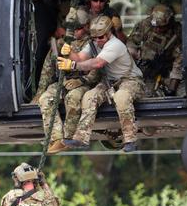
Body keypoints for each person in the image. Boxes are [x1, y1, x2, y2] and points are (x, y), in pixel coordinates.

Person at [57, 15, 144, 153]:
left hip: (130, 80)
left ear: (109, 33)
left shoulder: (115, 45)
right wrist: (70, 53)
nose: (98, 41)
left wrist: (73, 65)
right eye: (94, 37)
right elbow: (80, 58)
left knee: (121, 97)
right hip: (109, 82)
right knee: (90, 96)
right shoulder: (94, 43)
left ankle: (130, 139)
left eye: (101, 37)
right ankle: (81, 138)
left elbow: (97, 63)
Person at [34, 11, 99, 154]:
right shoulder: (60, 43)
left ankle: (68, 137)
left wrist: (81, 80)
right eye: (72, 28)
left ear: (87, 26)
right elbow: (48, 69)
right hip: (63, 81)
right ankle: (56, 138)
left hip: (84, 83)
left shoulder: (92, 45)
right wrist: (40, 92)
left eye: (79, 28)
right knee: (46, 99)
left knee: (73, 98)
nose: (75, 32)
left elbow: (98, 69)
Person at [127, 3, 183, 96]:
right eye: (155, 26)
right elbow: (131, 42)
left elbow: (180, 60)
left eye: (161, 27)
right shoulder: (145, 25)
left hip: (170, 70)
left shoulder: (177, 32)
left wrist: (172, 88)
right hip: (145, 68)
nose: (157, 29)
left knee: (181, 93)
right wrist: (137, 54)